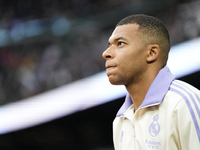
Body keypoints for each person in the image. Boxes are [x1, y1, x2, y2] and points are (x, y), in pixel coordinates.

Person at [102, 14, 200, 150]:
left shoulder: (185, 102)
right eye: (109, 45)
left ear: (151, 53)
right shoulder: (120, 121)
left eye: (120, 43)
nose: (106, 53)